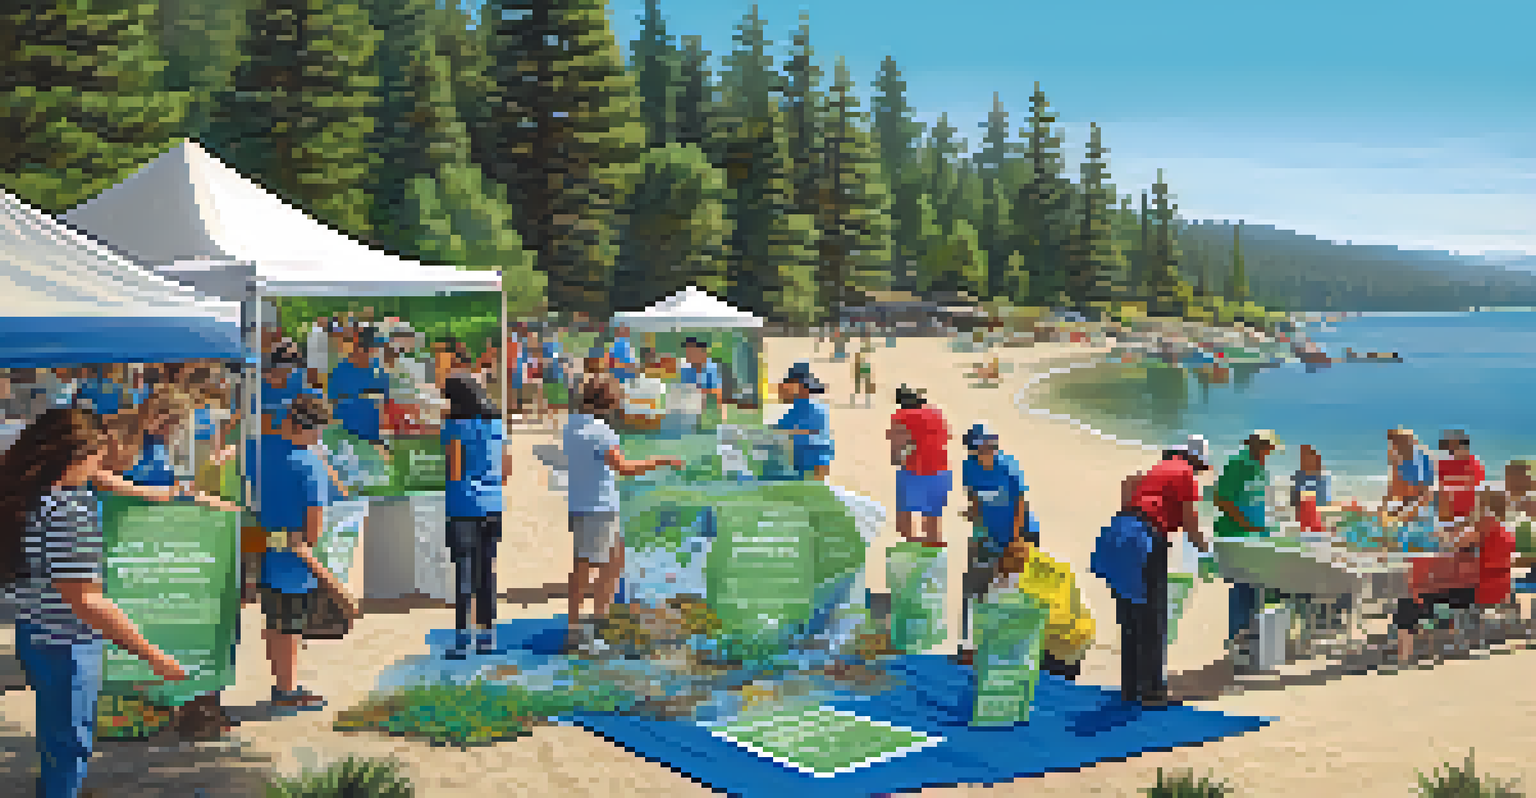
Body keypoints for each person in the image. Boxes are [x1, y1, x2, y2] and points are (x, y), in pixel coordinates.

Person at [1, 409, 238, 797]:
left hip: (36, 634)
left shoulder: (33, 499)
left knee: (56, 741)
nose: (103, 464)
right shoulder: (69, 512)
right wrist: (154, 656)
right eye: (98, 454)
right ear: (77, 456)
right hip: (68, 645)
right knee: (70, 748)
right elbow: (86, 601)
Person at [562, 378, 681, 647]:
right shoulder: (602, 431)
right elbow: (623, 467)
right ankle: (583, 629)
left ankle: (594, 623)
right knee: (590, 567)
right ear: (608, 403)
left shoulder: (571, 425)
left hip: (582, 502)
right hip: (600, 507)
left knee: (610, 563)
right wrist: (662, 461)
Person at [1094, 435, 1212, 705]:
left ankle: (1131, 688)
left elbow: (1128, 485)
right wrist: (1207, 551)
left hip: (1118, 533)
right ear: (1194, 459)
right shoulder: (1184, 473)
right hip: (1144, 539)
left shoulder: (1156, 469)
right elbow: (1189, 521)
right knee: (1152, 617)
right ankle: (1153, 692)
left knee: (1130, 617)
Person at [254, 392, 336, 710]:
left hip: (265, 550)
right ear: (308, 427)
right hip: (295, 561)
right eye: (318, 431)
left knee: (274, 622)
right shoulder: (309, 465)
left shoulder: (261, 450)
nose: (319, 438)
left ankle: (281, 684)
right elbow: (313, 529)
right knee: (289, 627)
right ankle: (287, 691)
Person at [441, 376, 512, 658]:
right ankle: (487, 636)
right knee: (486, 572)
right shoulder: (497, 425)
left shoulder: (455, 428)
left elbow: (455, 470)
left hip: (463, 505)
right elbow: (506, 471)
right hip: (493, 504)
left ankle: (461, 639)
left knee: (463, 574)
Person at [957, 423, 1037, 656]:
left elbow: (1021, 504)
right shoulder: (969, 468)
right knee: (974, 590)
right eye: (983, 447)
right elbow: (973, 496)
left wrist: (1015, 540)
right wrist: (976, 522)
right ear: (973, 449)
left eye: (992, 446)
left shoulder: (1008, 467)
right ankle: (970, 644)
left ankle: (1007, 648)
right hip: (988, 534)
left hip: (1019, 534)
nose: (988, 451)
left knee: (1009, 592)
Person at [1213, 430, 1282, 669]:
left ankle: (1251, 639)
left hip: (1256, 538)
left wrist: (1268, 526)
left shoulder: (1261, 468)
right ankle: (1237, 641)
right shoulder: (1238, 464)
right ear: (1257, 445)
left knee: (1256, 589)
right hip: (1236, 536)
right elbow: (1220, 498)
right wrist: (1245, 524)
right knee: (1242, 587)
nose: (1270, 452)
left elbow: (1258, 501)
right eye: (1268, 447)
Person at [886, 385, 952, 545]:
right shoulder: (937, 413)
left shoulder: (901, 416)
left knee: (904, 520)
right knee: (932, 519)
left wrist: (897, 458)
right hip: (940, 471)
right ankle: (933, 550)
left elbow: (898, 447)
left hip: (914, 470)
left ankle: (912, 547)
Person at [328, 328, 390, 454]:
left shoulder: (379, 371)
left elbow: (386, 403)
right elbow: (332, 404)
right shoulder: (339, 372)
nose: (372, 356)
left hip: (372, 440)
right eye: (369, 351)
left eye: (376, 351)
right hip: (345, 440)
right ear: (357, 347)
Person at [773, 363, 834, 480]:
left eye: (785, 386)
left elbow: (819, 448)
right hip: (803, 471)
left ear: (797, 387)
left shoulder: (809, 411)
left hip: (806, 471)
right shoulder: (800, 411)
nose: (781, 389)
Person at [1436, 429, 1484, 524]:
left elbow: (1477, 490)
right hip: (1447, 516)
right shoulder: (1442, 464)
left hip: (1468, 516)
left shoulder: (1474, 463)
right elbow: (1441, 491)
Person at [680, 337, 727, 422]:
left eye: (691, 352)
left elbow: (717, 392)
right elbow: (684, 390)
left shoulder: (711, 368)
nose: (688, 356)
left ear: (702, 352)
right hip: (689, 407)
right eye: (687, 353)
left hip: (707, 407)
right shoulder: (686, 369)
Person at [1291, 444, 1333, 534]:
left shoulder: (1320, 477)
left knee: (1314, 526)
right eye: (1303, 458)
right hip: (1304, 506)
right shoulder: (1299, 475)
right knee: (1304, 526)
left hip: (1314, 508)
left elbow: (1323, 496)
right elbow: (1295, 493)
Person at [851, 343, 875, 408]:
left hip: (864, 370)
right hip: (862, 370)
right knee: (860, 385)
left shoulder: (861, 355)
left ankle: (865, 399)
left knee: (863, 385)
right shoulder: (859, 355)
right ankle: (863, 399)